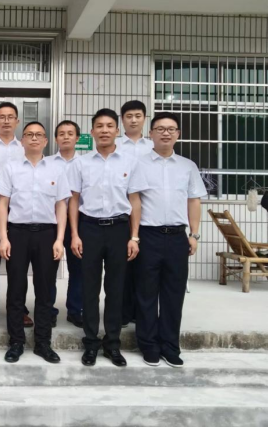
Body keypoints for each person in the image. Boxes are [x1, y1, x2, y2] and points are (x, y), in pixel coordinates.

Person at [68, 108, 147, 367]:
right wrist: (75, 235)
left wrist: (134, 237)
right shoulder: (80, 163)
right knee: (89, 288)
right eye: (99, 126)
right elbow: (73, 201)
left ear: (117, 130)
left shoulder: (130, 163)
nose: (104, 130)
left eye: (109, 126)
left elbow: (135, 201)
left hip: (119, 230)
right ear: (92, 132)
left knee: (116, 289)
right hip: (89, 229)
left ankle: (112, 344)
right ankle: (91, 343)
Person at [135, 112, 206, 367]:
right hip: (148, 236)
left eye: (171, 129)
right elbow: (134, 202)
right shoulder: (139, 164)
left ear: (178, 134)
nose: (166, 133)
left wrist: (194, 234)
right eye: (160, 129)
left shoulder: (188, 166)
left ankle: (170, 345)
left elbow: (194, 200)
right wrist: (134, 236)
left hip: (177, 237)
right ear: (151, 133)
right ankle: (148, 345)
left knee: (173, 293)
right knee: (146, 293)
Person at [0, 122, 70, 364]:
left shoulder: (57, 169)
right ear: (23, 140)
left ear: (46, 141)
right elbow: (3, 204)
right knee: (16, 290)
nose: (34, 138)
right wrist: (4, 237)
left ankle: (42, 343)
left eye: (39, 135)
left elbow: (61, 206)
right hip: (17, 234)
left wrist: (59, 239)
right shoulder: (11, 168)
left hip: (47, 234)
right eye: (29, 134)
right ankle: (16, 341)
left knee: (45, 290)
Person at [0, 102, 33, 328]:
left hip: (19, 212)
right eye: (2, 117)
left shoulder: (26, 148)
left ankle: (19, 309)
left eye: (11, 117)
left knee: (17, 264)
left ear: (17, 121)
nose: (7, 121)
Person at [118, 100, 153, 329]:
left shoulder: (152, 146)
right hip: (122, 212)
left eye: (138, 116)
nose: (133, 120)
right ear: (122, 120)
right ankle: (123, 311)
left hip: (148, 214)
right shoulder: (115, 145)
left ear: (144, 119)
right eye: (129, 116)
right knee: (123, 266)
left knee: (145, 267)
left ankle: (141, 311)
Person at [46, 121, 84, 328]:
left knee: (78, 267)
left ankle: (75, 309)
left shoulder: (86, 163)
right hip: (53, 222)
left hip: (79, 223)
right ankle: (48, 309)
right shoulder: (47, 163)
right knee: (49, 268)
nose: (66, 137)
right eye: (61, 133)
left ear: (77, 138)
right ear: (55, 138)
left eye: (70, 133)